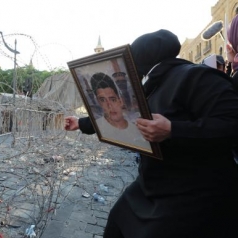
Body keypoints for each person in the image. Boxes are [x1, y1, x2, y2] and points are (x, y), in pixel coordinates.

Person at [66, 29, 238, 238]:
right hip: (153, 184)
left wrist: (173, 130)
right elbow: (122, 115)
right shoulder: (148, 86)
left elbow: (231, 124)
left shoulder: (197, 76)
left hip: (193, 191)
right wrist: (81, 123)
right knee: (118, 221)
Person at [89, 72, 150, 150]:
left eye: (113, 99)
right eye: (103, 100)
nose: (109, 105)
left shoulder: (138, 129)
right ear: (98, 102)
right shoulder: (99, 128)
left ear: (120, 101)